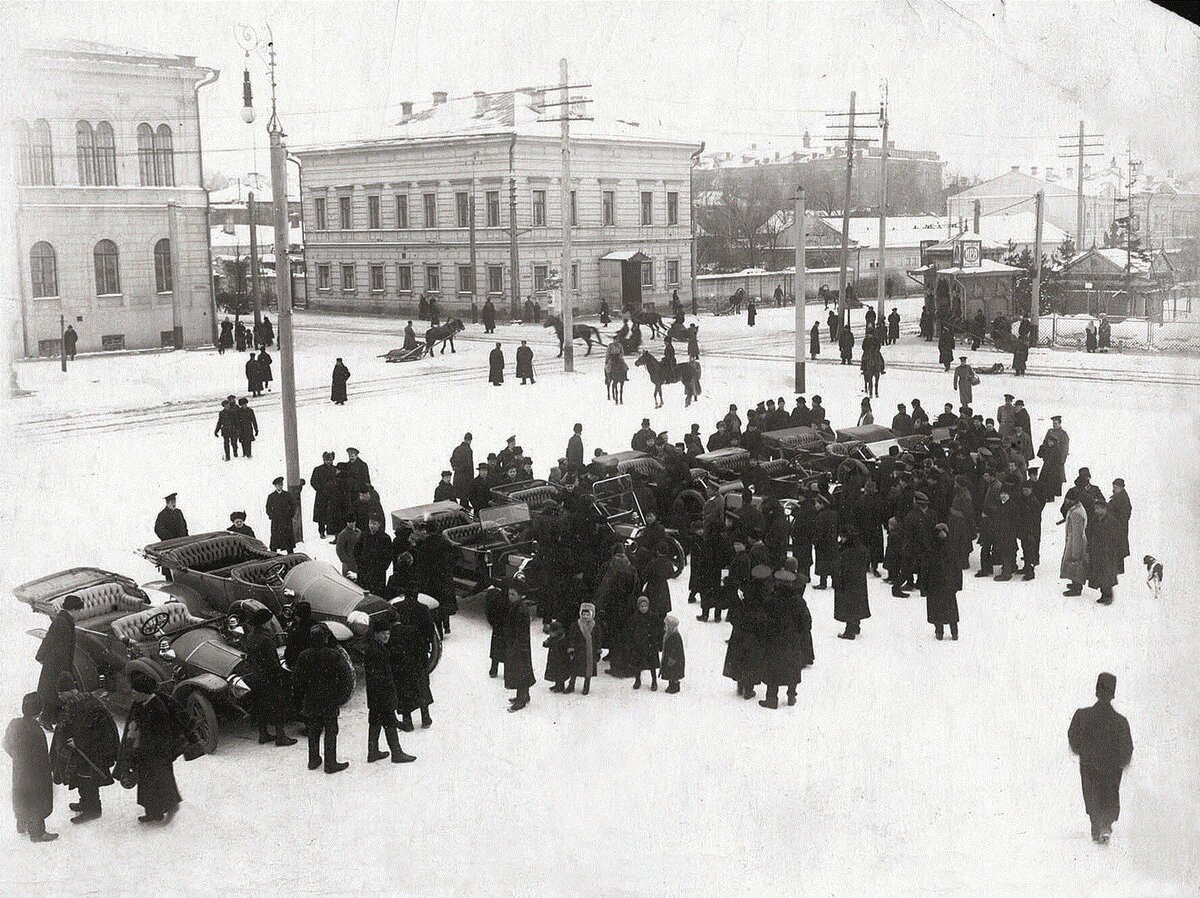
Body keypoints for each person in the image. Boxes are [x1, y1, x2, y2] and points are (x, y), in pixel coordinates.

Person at [115, 669, 197, 822]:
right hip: (145, 753)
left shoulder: (157, 708)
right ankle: (153, 813)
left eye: (135, 691)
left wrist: (149, 751)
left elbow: (162, 736)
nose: (132, 694)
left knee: (162, 782)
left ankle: (172, 806)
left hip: (157, 755)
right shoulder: (140, 703)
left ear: (143, 693)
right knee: (147, 785)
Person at [1068, 673, 1133, 844]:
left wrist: (1084, 752)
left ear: (1097, 690)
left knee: (1092, 795)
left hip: (1089, 765)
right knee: (1110, 795)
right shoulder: (1120, 722)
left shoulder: (1082, 716)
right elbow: (1127, 750)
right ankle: (1105, 825)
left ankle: (1097, 827)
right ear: (1113, 693)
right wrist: (1120, 762)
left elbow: (1073, 739)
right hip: (1112, 768)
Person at [50, 677, 119, 824]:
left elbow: (99, 729)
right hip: (84, 751)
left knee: (88, 779)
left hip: (91, 751)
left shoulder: (81, 705)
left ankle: (93, 809)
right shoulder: (83, 700)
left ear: (71, 691)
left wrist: (79, 742)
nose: (59, 697)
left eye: (61, 693)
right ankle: (85, 802)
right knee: (81, 777)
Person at [294, 625, 353, 773]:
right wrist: (340, 698)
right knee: (331, 730)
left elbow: (297, 680)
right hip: (329, 700)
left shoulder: (304, 655)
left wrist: (303, 695)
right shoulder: (334, 655)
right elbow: (346, 678)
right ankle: (330, 763)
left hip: (311, 699)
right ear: (326, 638)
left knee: (313, 730)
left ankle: (313, 760)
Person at [5, 693, 56, 841]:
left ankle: (21, 823)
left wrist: (17, 758)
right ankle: (37, 832)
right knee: (36, 800)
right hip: (35, 773)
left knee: (21, 796)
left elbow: (6, 744)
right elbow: (42, 756)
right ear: (39, 711)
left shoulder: (14, 724)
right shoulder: (36, 730)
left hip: (19, 770)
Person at [363, 620, 416, 764]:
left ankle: (372, 752)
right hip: (382, 694)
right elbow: (381, 677)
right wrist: (390, 694)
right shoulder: (377, 651)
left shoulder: (374, 648)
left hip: (374, 695)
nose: (387, 636)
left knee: (375, 722)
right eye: (383, 634)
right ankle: (397, 753)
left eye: (388, 633)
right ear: (376, 634)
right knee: (390, 723)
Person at [243, 607, 297, 747]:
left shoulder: (250, 637)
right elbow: (273, 663)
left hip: (256, 677)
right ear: (265, 623)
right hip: (270, 678)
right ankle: (281, 737)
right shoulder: (266, 640)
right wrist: (281, 675)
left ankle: (263, 734)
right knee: (278, 706)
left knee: (260, 706)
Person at [390, 590, 436, 730]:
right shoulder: (423, 608)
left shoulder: (396, 607)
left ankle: (407, 720)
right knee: (421, 683)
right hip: (418, 651)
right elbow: (430, 631)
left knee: (404, 687)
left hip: (401, 655)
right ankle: (425, 716)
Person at [36, 593, 81, 729]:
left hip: (59, 662)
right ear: (73, 609)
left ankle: (49, 718)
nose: (79, 613)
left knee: (54, 691)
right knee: (52, 691)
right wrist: (41, 656)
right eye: (78, 610)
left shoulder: (64, 620)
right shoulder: (61, 621)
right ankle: (45, 719)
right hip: (56, 663)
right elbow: (49, 640)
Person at [925, 523, 961, 640]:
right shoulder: (952, 548)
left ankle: (939, 632)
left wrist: (924, 585)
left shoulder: (930, 549)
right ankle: (954, 632)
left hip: (934, 584)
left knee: (936, 610)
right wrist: (958, 584)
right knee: (951, 609)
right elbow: (957, 568)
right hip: (948, 584)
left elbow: (925, 568)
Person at [503, 585, 536, 712]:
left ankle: (521, 700)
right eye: (509, 594)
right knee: (521, 670)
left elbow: (520, 630)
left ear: (519, 595)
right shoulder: (517, 606)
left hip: (519, 645)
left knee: (520, 671)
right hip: (518, 644)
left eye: (513, 594)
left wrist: (515, 645)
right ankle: (524, 695)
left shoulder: (521, 609)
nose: (510, 596)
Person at [833, 529, 869, 639]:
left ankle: (849, 631)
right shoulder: (861, 548)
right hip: (859, 581)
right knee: (857, 603)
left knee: (848, 605)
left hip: (847, 582)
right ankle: (856, 626)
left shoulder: (847, 551)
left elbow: (843, 567)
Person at [1087, 501, 1121, 605]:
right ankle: (1103, 594)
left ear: (1104, 509)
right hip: (1097, 552)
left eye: (1098, 508)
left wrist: (1111, 550)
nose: (1096, 510)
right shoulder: (1095, 519)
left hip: (1107, 553)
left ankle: (1108, 596)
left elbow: (1117, 538)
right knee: (1099, 574)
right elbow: (1090, 532)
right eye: (1095, 508)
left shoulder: (1112, 521)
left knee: (1107, 575)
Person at [628, 596, 662, 691]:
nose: (643, 608)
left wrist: (656, 642)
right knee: (637, 664)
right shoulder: (634, 617)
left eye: (645, 606)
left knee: (652, 665)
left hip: (650, 644)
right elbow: (631, 631)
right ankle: (637, 680)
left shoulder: (653, 616)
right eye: (641, 606)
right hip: (638, 644)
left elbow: (657, 630)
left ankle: (654, 681)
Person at [354, 515, 393, 596]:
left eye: (374, 524)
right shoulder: (364, 535)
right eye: (370, 523)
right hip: (363, 572)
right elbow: (356, 551)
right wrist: (360, 564)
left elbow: (388, 557)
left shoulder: (385, 538)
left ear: (379, 524)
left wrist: (381, 568)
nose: (371, 526)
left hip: (377, 574)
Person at [1060, 494, 1089, 597]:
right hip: (1073, 540)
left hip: (1075, 542)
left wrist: (1076, 552)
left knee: (1076, 562)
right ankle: (1074, 583)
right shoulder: (1077, 509)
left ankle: (1077, 587)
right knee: (1073, 563)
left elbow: (1077, 534)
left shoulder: (1076, 513)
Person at [266, 477, 297, 553]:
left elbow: (293, 505)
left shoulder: (287, 495)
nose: (280, 486)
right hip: (276, 521)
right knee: (275, 537)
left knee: (288, 537)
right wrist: (272, 516)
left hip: (286, 520)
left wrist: (290, 515)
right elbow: (268, 507)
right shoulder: (271, 496)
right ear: (275, 486)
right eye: (278, 485)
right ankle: (274, 554)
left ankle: (290, 553)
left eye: (281, 485)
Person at [310, 452, 337, 539]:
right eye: (326, 460)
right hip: (321, 496)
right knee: (321, 514)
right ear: (323, 460)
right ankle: (321, 531)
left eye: (330, 460)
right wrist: (320, 489)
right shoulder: (318, 469)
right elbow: (313, 481)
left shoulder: (336, 469)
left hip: (332, 495)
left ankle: (330, 529)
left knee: (331, 512)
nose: (328, 462)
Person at [1108, 479, 1132, 575]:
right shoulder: (1120, 496)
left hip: (1119, 528)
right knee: (1118, 547)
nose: (1113, 489)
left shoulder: (1121, 499)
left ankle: (1119, 569)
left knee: (1118, 547)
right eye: (1113, 487)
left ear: (1121, 488)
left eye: (1115, 487)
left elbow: (1124, 514)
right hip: (1119, 527)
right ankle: (1118, 568)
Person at [659, 613, 684, 694]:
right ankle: (671, 684)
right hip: (669, 657)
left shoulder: (676, 636)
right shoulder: (668, 634)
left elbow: (677, 649)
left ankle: (675, 685)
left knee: (674, 673)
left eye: (667, 625)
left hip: (675, 659)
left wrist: (672, 658)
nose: (665, 627)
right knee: (670, 672)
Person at [542, 621, 570, 693]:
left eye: (552, 632)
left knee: (560, 673)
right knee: (554, 672)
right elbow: (547, 644)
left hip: (561, 659)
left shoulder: (562, 639)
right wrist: (546, 643)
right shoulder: (552, 638)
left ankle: (560, 686)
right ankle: (557, 684)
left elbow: (566, 648)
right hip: (553, 658)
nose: (550, 634)